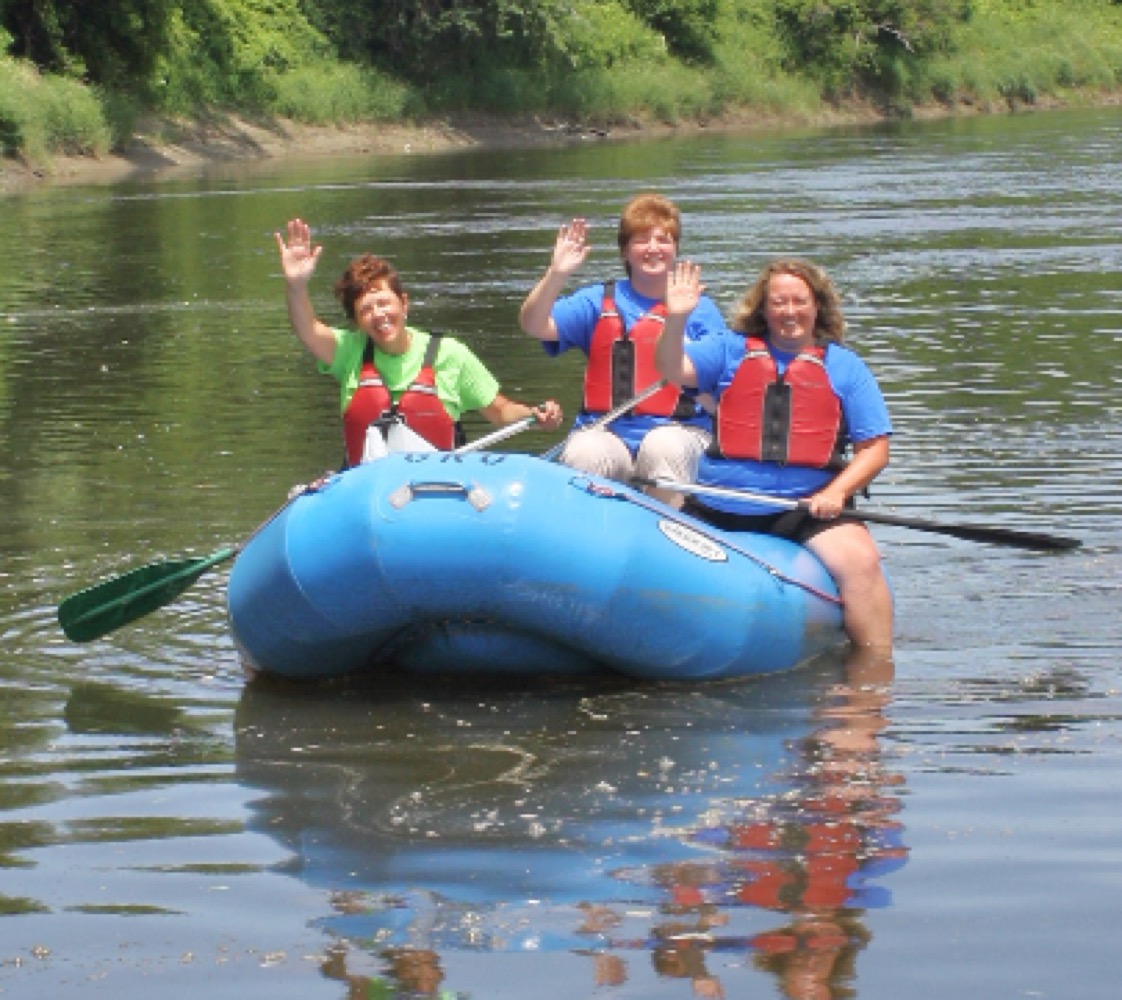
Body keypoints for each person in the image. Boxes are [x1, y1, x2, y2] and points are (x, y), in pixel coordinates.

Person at [654, 257, 894, 649]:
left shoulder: (845, 367)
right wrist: (676, 318)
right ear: (763, 309)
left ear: (817, 306)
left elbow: (875, 449)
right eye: (778, 302)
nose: (789, 312)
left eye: (799, 301)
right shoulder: (728, 349)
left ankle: (874, 671)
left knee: (862, 563)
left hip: (805, 511)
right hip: (720, 505)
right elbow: (670, 366)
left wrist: (836, 492)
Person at [275, 217, 563, 465]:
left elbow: (500, 411)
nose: (378, 315)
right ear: (357, 322)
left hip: (433, 489)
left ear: (404, 304)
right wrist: (296, 284)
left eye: (384, 303)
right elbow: (307, 329)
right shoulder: (350, 351)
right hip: (367, 489)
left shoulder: (449, 354)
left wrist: (534, 414)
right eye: (366, 309)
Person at [518, 193, 726, 507]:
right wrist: (557, 274)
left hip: (679, 431)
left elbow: (720, 396)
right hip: (607, 431)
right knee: (586, 450)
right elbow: (533, 324)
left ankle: (669, 532)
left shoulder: (702, 311)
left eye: (663, 240)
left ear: (675, 250)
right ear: (625, 251)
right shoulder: (596, 301)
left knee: (663, 444)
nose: (653, 248)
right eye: (642, 240)